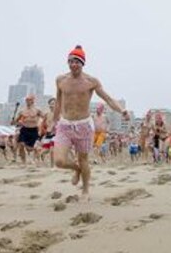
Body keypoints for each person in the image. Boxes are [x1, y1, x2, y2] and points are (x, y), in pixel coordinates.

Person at [49, 45, 130, 201]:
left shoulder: (91, 82)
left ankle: (85, 190)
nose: (73, 64)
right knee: (59, 160)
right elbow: (58, 102)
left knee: (83, 158)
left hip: (84, 125)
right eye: (71, 61)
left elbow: (108, 99)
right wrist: (54, 120)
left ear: (83, 63)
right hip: (65, 124)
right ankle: (76, 169)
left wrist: (122, 111)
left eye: (77, 62)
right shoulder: (61, 80)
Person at [15, 94, 45, 166]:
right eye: (27, 100)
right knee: (21, 145)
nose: (27, 101)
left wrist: (43, 125)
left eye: (29, 100)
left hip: (34, 129)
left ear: (33, 101)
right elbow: (16, 121)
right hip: (24, 129)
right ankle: (23, 162)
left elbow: (44, 117)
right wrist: (17, 122)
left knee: (33, 148)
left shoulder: (37, 110)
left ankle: (34, 160)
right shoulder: (22, 111)